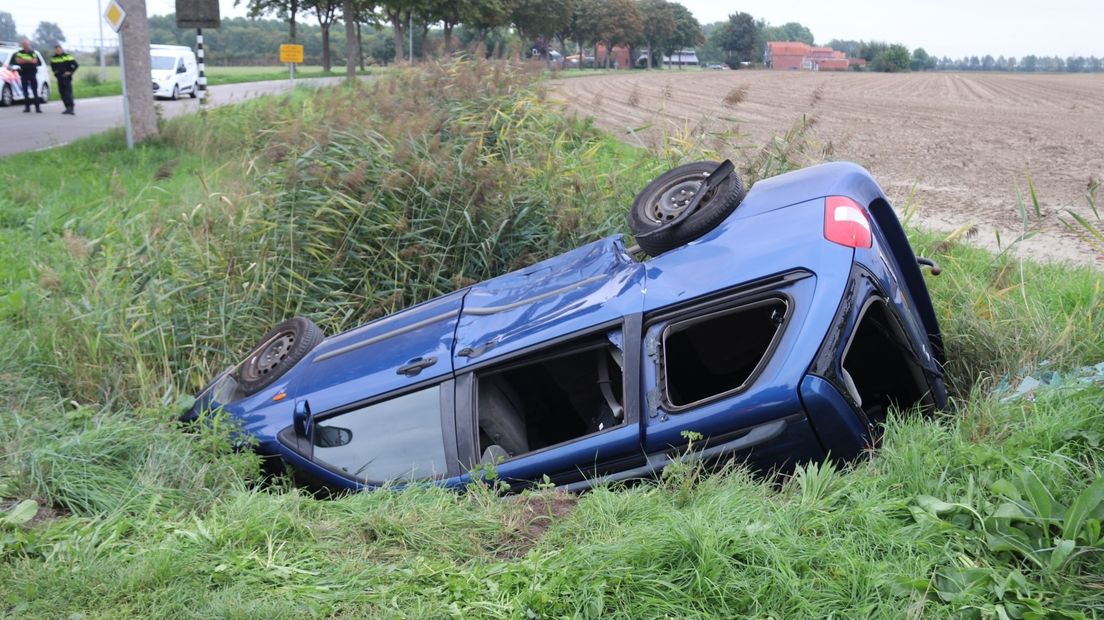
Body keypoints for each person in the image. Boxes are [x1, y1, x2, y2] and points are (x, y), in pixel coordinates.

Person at [11, 39, 42, 113]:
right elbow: (18, 61)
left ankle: (37, 108)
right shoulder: (19, 53)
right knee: (25, 91)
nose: (26, 46)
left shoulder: (33, 52)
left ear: (29, 45)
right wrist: (29, 60)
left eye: (27, 44)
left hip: (32, 73)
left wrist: (24, 60)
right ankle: (27, 107)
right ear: (23, 45)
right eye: (24, 44)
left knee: (35, 91)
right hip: (24, 73)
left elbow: (34, 61)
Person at [51, 44, 79, 115]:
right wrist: (56, 73)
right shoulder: (54, 58)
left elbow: (76, 65)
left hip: (67, 77)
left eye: (59, 49)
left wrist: (70, 72)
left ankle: (71, 108)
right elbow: (53, 67)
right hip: (59, 77)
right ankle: (67, 107)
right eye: (56, 50)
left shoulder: (67, 56)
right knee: (62, 93)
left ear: (61, 49)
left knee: (68, 93)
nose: (57, 51)